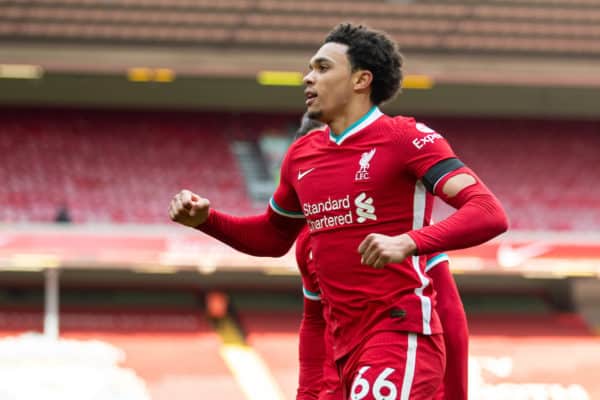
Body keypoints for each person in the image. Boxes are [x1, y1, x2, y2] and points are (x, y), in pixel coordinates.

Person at [169, 23, 507, 399]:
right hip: (346, 351)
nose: (307, 77)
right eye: (310, 68)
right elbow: (273, 236)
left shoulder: (407, 139)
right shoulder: (301, 155)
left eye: (323, 67)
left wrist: (409, 242)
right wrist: (207, 221)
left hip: (399, 330)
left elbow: (487, 211)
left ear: (361, 80)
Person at [293, 116, 468, 400]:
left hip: (395, 373)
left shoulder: (399, 227)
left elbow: (448, 310)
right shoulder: (306, 242)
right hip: (336, 386)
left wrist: (457, 396)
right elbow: (314, 323)